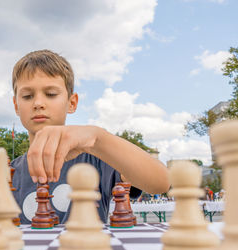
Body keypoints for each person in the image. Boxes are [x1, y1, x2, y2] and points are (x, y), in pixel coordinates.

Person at [10, 50, 170, 224]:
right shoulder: (7, 174)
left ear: (72, 103)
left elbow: (160, 183)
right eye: (27, 96)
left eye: (51, 94)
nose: (38, 103)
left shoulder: (98, 159)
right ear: (16, 105)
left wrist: (97, 138)